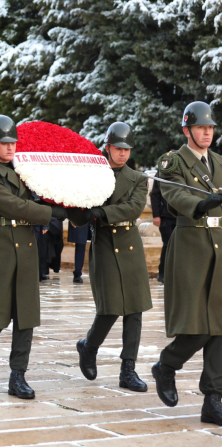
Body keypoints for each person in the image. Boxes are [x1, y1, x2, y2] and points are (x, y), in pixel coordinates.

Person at [0, 115, 66, 400]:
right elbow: (13, 206)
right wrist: (50, 213)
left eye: (13, 143)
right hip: (1, 247)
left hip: (26, 244)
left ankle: (17, 375)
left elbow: (40, 195)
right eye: (4, 143)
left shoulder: (24, 170)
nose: (10, 148)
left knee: (26, 315)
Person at [152, 101, 222, 426]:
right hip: (192, 247)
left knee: (220, 327)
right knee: (196, 328)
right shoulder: (173, 162)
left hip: (219, 249)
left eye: (210, 127)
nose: (207, 132)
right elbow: (175, 196)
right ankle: (167, 365)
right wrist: (202, 203)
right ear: (187, 130)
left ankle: (213, 398)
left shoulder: (220, 162)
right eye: (200, 127)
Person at [70, 122, 152, 393]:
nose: (123, 154)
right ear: (107, 147)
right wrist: (80, 206)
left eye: (126, 149)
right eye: (118, 148)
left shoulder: (138, 178)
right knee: (110, 307)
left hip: (129, 245)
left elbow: (134, 208)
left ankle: (128, 369)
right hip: (105, 244)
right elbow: (78, 215)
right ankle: (89, 345)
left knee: (135, 309)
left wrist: (103, 212)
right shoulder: (91, 174)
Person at [150, 154, 177, 284]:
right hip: (165, 217)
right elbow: (155, 194)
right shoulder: (161, 173)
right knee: (167, 245)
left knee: (180, 246)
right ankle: (163, 273)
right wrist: (156, 215)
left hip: (180, 217)